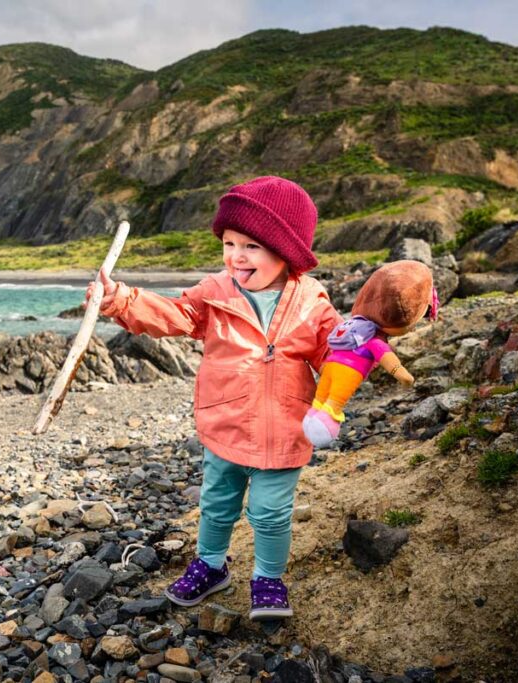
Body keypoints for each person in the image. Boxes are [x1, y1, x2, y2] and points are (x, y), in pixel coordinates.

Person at [87, 176, 342, 620]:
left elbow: (334, 356)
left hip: (284, 431)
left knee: (269, 513)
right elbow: (174, 314)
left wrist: (363, 344)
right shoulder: (216, 292)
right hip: (224, 424)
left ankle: (267, 576)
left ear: (286, 250)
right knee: (217, 503)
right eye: (229, 243)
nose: (236, 256)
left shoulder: (312, 303)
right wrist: (120, 300)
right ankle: (210, 564)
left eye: (251, 246)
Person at [302, 260, 439, 447]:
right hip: (347, 372)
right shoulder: (374, 340)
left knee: (320, 399)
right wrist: (405, 377)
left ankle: (310, 419)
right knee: (334, 402)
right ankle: (323, 431)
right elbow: (389, 361)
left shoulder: (353, 324)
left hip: (330, 365)